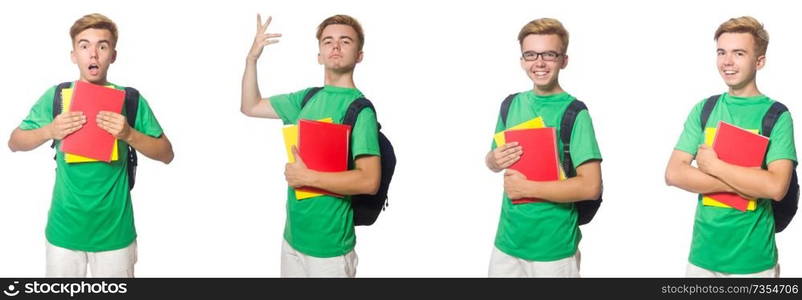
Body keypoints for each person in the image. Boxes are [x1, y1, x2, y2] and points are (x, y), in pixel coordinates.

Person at [7, 13, 174, 277]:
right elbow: (14, 142)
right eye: (84, 46)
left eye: (102, 46)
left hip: (115, 234)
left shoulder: (130, 100)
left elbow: (167, 154)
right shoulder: (57, 97)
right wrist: (50, 130)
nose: (93, 54)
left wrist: (129, 134)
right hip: (63, 232)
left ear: (113, 55)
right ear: (74, 54)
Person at [240, 14, 380, 277]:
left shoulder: (360, 110)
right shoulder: (306, 98)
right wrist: (251, 59)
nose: (335, 46)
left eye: (345, 41)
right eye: (328, 41)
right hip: (292, 237)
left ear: (359, 55)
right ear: (319, 55)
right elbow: (250, 106)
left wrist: (307, 177)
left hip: (329, 249)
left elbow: (369, 181)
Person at [665, 16, 795, 277]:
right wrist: (747, 185)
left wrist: (714, 166)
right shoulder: (705, 109)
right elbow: (674, 173)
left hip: (754, 264)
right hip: (702, 258)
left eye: (739, 53)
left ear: (759, 61)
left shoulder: (776, 115)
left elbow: (776, 187)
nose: (727, 62)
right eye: (721, 52)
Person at [485, 18, 602, 277]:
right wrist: (493, 159)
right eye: (530, 54)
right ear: (522, 60)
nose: (539, 63)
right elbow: (493, 160)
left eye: (549, 54)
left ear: (564, 60)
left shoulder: (575, 113)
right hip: (507, 243)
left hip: (554, 250)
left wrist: (527, 189)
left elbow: (591, 187)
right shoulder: (510, 104)